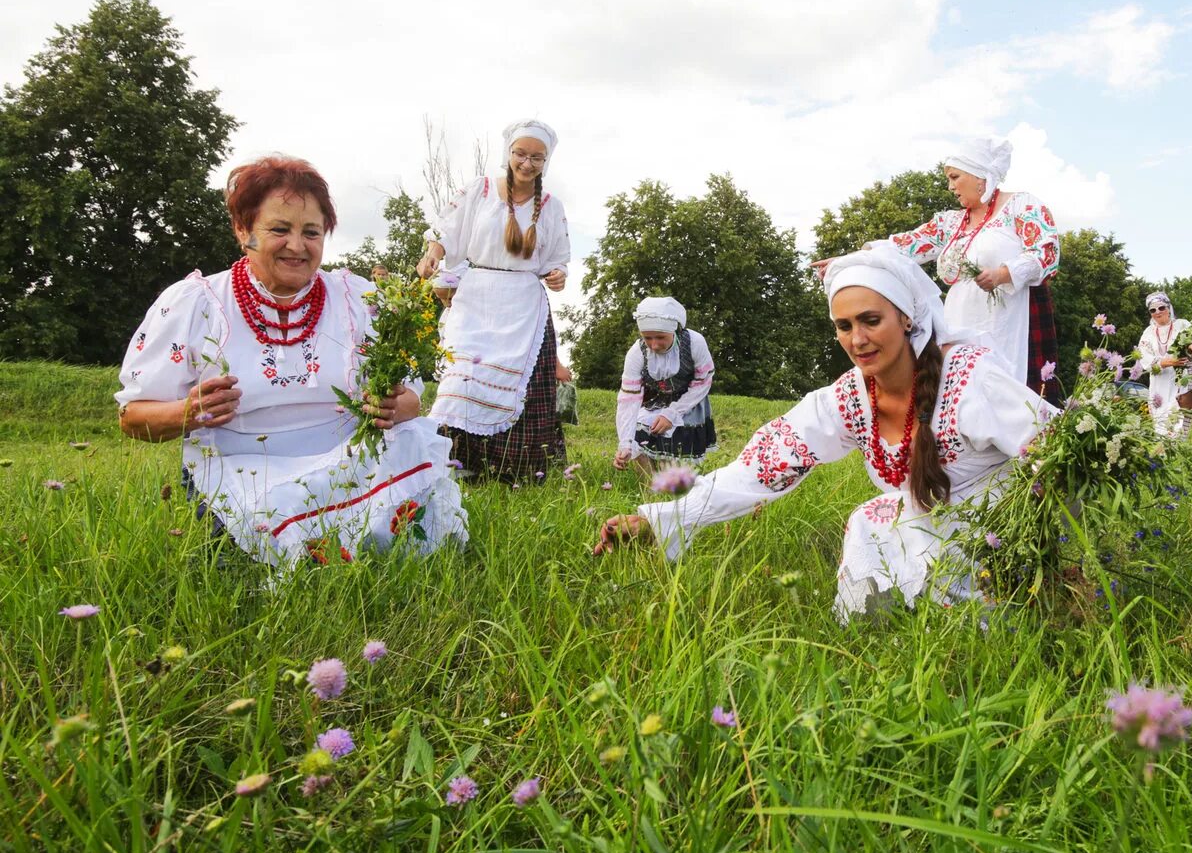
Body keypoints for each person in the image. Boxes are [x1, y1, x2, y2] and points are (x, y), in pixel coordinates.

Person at [593, 249, 1054, 619]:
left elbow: (1060, 458)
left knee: (910, 544)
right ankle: (886, 627)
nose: (858, 339)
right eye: (844, 326)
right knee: (872, 522)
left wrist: (1057, 563)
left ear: (907, 318)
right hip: (922, 528)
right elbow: (756, 470)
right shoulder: (847, 399)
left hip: (997, 535)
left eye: (871, 320)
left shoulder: (972, 382)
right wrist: (662, 518)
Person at [115, 155, 467, 565]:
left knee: (412, 448)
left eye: (311, 232)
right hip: (242, 472)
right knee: (250, 555)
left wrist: (391, 407)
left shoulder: (358, 299)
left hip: (349, 466)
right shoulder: (196, 303)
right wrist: (188, 412)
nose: (297, 246)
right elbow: (132, 417)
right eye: (279, 229)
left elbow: (410, 402)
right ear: (243, 231)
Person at [818, 138, 1063, 399]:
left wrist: (1003, 273)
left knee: (1008, 391)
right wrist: (847, 259)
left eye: (955, 177)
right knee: (964, 387)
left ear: (979, 175)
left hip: (1010, 317)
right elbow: (904, 245)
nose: (950, 186)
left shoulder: (1021, 205)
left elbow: (1047, 251)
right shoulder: (952, 222)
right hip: (960, 318)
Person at [417, 119, 570, 481]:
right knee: (461, 379)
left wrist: (558, 275)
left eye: (536, 157)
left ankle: (516, 471)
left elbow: (557, 258)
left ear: (545, 161)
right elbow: (448, 230)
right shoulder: (480, 190)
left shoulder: (550, 205)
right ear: (509, 154)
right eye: (521, 154)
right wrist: (434, 253)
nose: (527, 163)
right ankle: (454, 467)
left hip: (523, 304)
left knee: (525, 387)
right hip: (477, 299)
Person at [614, 297, 717, 473]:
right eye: (647, 338)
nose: (654, 345)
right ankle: (650, 489)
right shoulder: (636, 353)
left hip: (689, 399)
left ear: (673, 330)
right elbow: (628, 399)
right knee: (638, 436)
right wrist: (625, 444)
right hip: (655, 400)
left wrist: (672, 414)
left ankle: (676, 491)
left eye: (660, 337)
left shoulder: (694, 342)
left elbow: (703, 382)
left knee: (677, 451)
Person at [1133, 291, 1192, 439]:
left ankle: (1178, 450)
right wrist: (1167, 362)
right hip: (1159, 382)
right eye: (1153, 310)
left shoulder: (1182, 325)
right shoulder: (1148, 333)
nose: (1157, 312)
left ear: (1168, 308)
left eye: (1161, 307)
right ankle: (1162, 455)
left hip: (1180, 380)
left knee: (1179, 417)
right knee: (1160, 418)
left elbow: (1188, 345)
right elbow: (1144, 359)